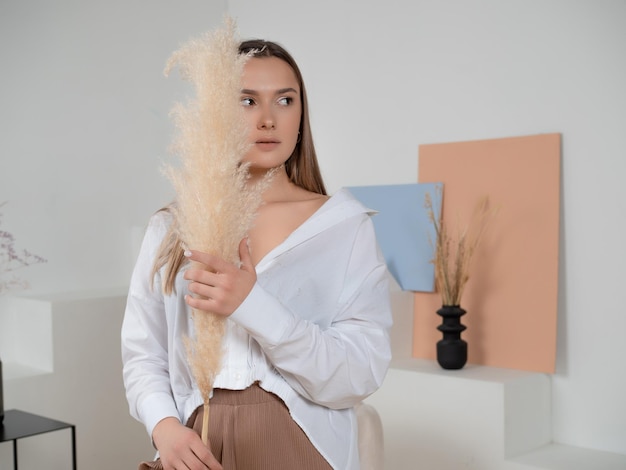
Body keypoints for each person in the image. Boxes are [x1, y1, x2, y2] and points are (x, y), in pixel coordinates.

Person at [122, 39, 392, 470]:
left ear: (301, 115)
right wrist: (164, 428)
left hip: (297, 447)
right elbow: (142, 354)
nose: (268, 119)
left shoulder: (343, 227)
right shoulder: (171, 228)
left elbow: (358, 373)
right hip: (192, 446)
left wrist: (252, 306)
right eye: (247, 101)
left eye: (285, 100)